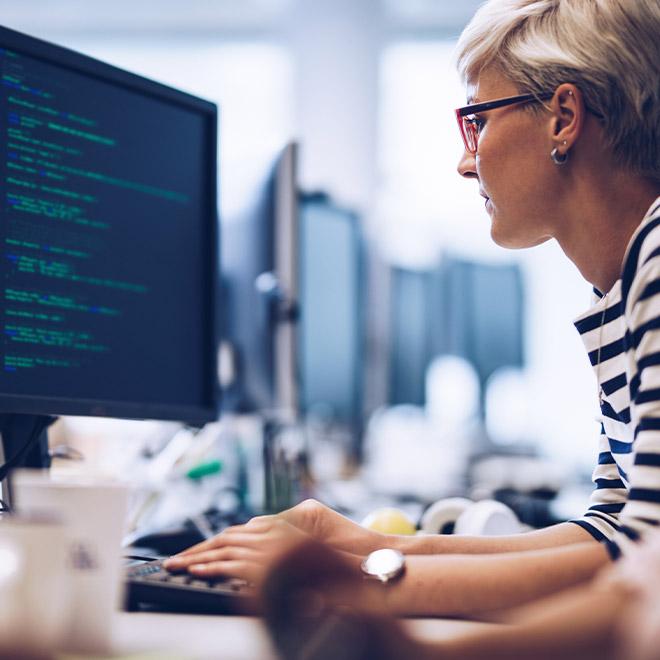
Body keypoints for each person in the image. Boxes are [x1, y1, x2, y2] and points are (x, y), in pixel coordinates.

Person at [165, 0, 660, 619]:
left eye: (476, 121)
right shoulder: (620, 286)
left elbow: (641, 563)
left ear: (563, 117)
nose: (463, 161)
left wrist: (342, 582)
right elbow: (611, 529)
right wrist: (377, 547)